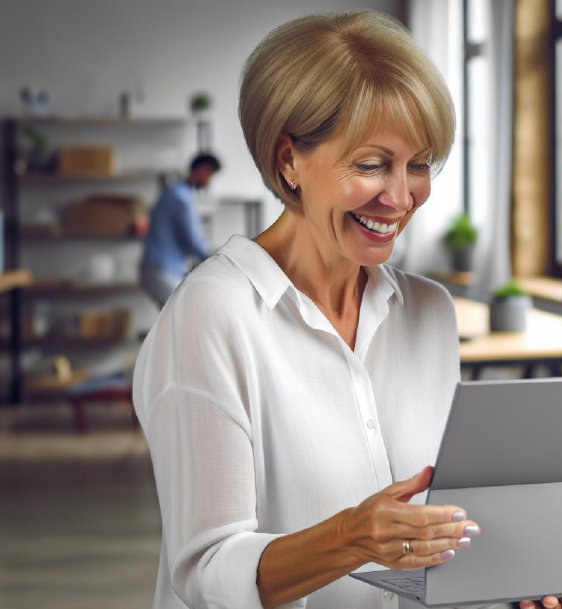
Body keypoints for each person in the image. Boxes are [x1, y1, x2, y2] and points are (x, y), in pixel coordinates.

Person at [134, 12, 483, 609]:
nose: (401, 198)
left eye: (419, 164)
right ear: (289, 160)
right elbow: (207, 570)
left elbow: (439, 535)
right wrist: (350, 539)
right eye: (372, 165)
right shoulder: (212, 315)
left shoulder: (430, 312)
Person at [139, 153, 220, 307]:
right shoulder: (180, 198)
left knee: (175, 320)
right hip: (162, 269)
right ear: (203, 170)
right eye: (210, 175)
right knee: (184, 314)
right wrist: (217, 259)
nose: (209, 181)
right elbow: (193, 241)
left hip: (162, 269)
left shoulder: (177, 193)